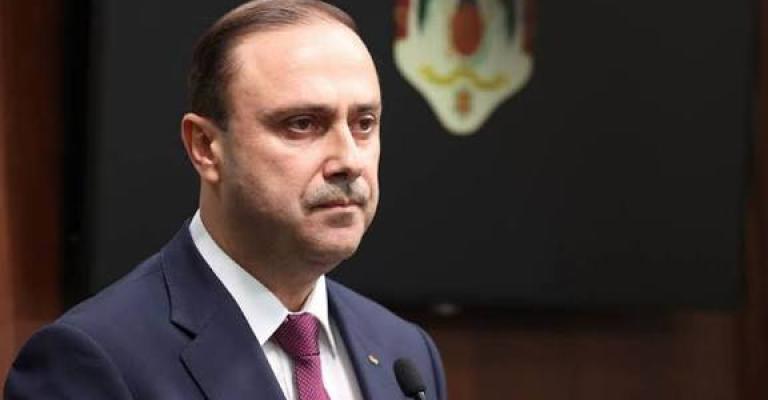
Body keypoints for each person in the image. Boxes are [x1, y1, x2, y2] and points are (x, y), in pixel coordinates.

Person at [4, 1, 447, 399]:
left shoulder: (405, 353)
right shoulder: (93, 362)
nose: (348, 160)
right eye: (302, 124)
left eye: (364, 123)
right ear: (205, 147)